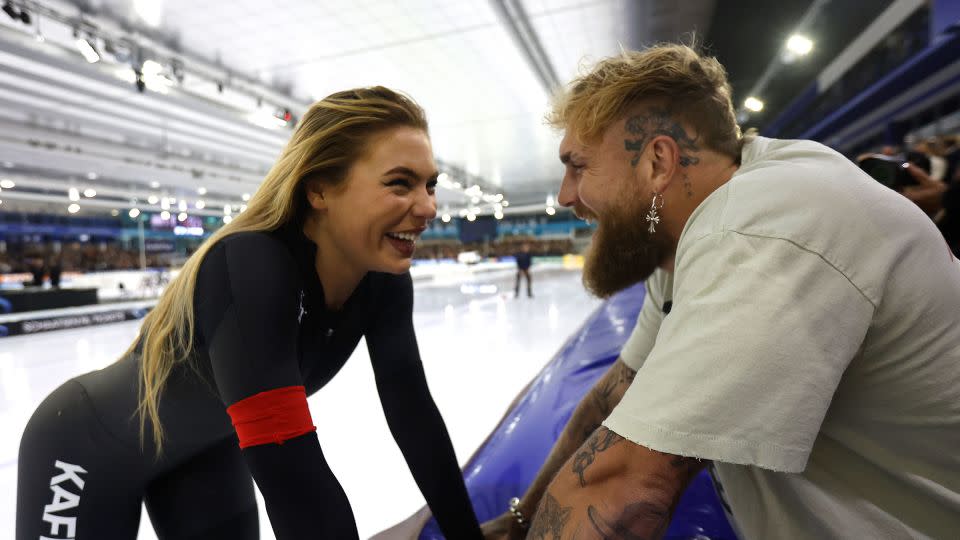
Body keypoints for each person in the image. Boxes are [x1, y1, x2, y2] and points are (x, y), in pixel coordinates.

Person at [481, 44, 960, 539]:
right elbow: (613, 397)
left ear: (657, 163)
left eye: (578, 166)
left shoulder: (759, 229)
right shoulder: (692, 224)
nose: (564, 195)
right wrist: (518, 523)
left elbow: (621, 492)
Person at [16, 87, 482, 540]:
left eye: (430, 184)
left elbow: (414, 419)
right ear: (319, 190)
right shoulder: (252, 265)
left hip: (207, 453)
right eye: (400, 183)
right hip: (86, 449)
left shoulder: (384, 282)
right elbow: (294, 478)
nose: (428, 207)